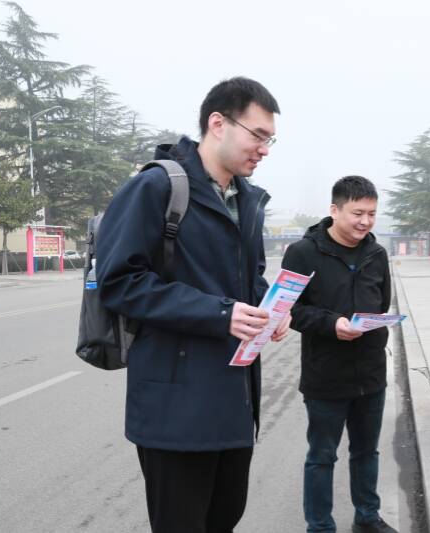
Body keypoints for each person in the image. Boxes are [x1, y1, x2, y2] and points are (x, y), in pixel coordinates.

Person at [96, 77, 289, 533]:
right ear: (218, 124)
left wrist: (270, 308)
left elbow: (248, 278)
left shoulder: (247, 201)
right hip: (175, 408)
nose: (264, 149)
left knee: (224, 518)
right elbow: (119, 281)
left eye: (271, 140)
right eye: (258, 135)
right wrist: (221, 313)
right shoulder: (157, 187)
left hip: (234, 400)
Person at [281, 176, 397, 533]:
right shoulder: (302, 253)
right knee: (322, 456)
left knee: (366, 451)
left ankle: (367, 516)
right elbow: (289, 310)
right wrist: (332, 324)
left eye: (372, 214)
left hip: (371, 372)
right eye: (357, 213)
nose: (365, 222)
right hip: (326, 375)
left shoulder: (377, 254)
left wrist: (374, 324)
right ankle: (320, 525)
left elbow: (382, 303)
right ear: (335, 210)